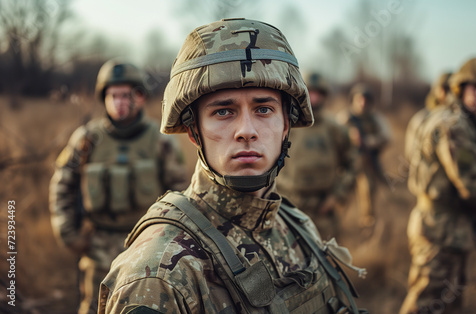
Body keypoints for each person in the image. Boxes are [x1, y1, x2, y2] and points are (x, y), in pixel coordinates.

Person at [98, 18, 366, 314]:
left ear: (286, 125)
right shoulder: (159, 275)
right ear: (193, 130)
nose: (246, 131)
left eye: (264, 109)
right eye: (224, 111)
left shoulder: (298, 226)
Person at [49, 59, 189, 314]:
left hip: (148, 247)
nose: (119, 102)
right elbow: (62, 185)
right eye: (112, 95)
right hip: (98, 246)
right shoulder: (87, 139)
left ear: (140, 97)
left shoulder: (160, 141)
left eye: (126, 95)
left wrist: (171, 242)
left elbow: (180, 194)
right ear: (104, 97)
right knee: (94, 307)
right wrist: (68, 232)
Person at [400, 57, 476, 314]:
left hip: (449, 227)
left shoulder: (459, 121)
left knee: (447, 304)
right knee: (426, 303)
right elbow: (472, 184)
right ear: (461, 87)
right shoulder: (455, 126)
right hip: (440, 229)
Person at [276, 72, 357, 239]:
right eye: (308, 92)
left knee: (327, 259)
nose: (313, 98)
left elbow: (353, 164)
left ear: (324, 96)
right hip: (287, 207)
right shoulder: (282, 126)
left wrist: (336, 196)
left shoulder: (335, 129)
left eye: (317, 93)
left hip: (323, 210)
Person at [338, 84, 391, 228]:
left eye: (366, 100)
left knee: (368, 193)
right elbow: (336, 139)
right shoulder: (346, 118)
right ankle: (339, 224)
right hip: (348, 164)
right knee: (341, 194)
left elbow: (386, 137)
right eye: (359, 99)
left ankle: (368, 226)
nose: (362, 103)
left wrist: (369, 141)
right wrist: (351, 139)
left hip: (368, 162)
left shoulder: (375, 118)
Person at [404, 72, 452, 163]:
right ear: (436, 90)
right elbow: (412, 155)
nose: (446, 93)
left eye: (450, 89)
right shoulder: (421, 119)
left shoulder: (460, 120)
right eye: (444, 88)